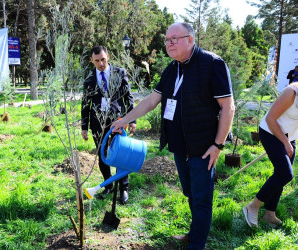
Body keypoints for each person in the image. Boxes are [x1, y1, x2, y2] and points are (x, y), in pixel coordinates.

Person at [111, 23, 234, 249]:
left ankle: (196, 245)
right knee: (190, 192)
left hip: (204, 146)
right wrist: (123, 121)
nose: (169, 44)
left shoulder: (212, 64)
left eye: (174, 39)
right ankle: (194, 232)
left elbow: (228, 107)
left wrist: (218, 145)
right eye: (167, 40)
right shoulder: (172, 69)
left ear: (190, 39)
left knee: (202, 199)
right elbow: (151, 101)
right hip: (180, 145)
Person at [81, 45, 136, 204]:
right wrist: (84, 126)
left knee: (121, 153)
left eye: (103, 59)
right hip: (97, 123)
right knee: (102, 154)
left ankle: (123, 189)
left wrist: (132, 120)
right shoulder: (89, 78)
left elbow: (128, 98)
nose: (100, 64)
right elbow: (85, 104)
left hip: (118, 122)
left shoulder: (120, 73)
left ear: (108, 57)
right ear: (92, 60)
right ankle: (108, 185)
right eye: (97, 60)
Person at [243, 82, 298, 229]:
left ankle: (269, 214)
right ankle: (253, 206)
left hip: (290, 137)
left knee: (280, 175)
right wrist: (286, 143)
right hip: (271, 132)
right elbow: (270, 119)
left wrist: (289, 141)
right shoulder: (291, 92)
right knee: (285, 174)